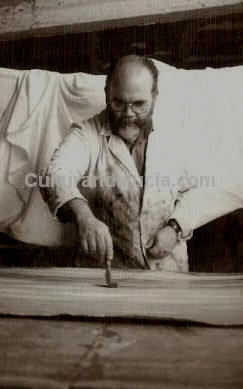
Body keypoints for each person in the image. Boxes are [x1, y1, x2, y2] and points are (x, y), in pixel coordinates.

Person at [40, 55, 240, 271]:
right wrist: (84, 217)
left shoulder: (176, 136)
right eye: (118, 102)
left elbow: (203, 185)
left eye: (139, 104)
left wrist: (176, 226)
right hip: (105, 277)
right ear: (107, 92)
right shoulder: (85, 134)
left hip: (168, 276)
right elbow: (54, 174)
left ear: (154, 96)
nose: (128, 114)